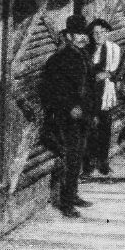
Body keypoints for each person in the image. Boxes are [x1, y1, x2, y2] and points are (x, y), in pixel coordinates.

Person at [38, 14, 96, 216]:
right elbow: (51, 90)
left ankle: (72, 194)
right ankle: (66, 203)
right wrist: (70, 107)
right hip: (65, 117)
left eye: (85, 34)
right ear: (69, 36)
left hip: (83, 115)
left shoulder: (83, 55)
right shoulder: (59, 59)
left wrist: (91, 111)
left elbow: (89, 85)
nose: (83, 38)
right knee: (70, 157)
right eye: (78, 34)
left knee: (78, 155)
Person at [85, 18, 123, 176]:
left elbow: (120, 71)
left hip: (106, 92)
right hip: (89, 92)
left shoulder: (114, 49)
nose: (98, 36)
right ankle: (88, 163)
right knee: (89, 128)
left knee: (105, 128)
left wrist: (108, 74)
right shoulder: (87, 50)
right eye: (95, 33)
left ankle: (103, 161)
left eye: (102, 32)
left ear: (107, 33)